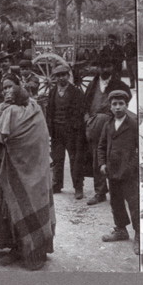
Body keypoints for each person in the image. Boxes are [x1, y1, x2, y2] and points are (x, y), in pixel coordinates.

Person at [0, 82, 55, 270]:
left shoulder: (10, 112)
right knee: (21, 208)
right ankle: (25, 249)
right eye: (4, 88)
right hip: (36, 170)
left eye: (10, 88)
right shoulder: (36, 109)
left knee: (18, 206)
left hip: (16, 169)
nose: (7, 92)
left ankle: (30, 252)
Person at [96, 90, 141, 255]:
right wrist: (102, 163)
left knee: (134, 203)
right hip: (112, 171)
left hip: (128, 173)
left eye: (121, 104)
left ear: (127, 105)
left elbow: (140, 150)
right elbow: (101, 146)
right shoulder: (108, 124)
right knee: (116, 202)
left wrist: (132, 167)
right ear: (110, 106)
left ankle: (139, 235)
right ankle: (121, 229)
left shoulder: (133, 124)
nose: (117, 107)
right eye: (114, 104)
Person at [84, 60, 131, 205]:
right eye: (102, 66)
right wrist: (87, 119)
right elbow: (85, 104)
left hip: (113, 126)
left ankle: (118, 192)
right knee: (97, 158)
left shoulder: (119, 84)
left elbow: (127, 100)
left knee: (115, 157)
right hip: (94, 126)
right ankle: (100, 192)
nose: (104, 69)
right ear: (98, 68)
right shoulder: (93, 84)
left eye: (107, 65)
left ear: (111, 67)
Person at [47, 65, 88, 198]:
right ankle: (57, 185)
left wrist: (76, 129)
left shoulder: (76, 92)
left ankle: (78, 187)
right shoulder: (52, 92)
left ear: (68, 76)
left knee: (74, 159)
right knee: (57, 158)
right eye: (58, 76)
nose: (61, 78)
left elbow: (80, 112)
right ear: (55, 78)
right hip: (56, 131)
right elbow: (49, 111)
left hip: (72, 132)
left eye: (63, 75)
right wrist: (50, 128)